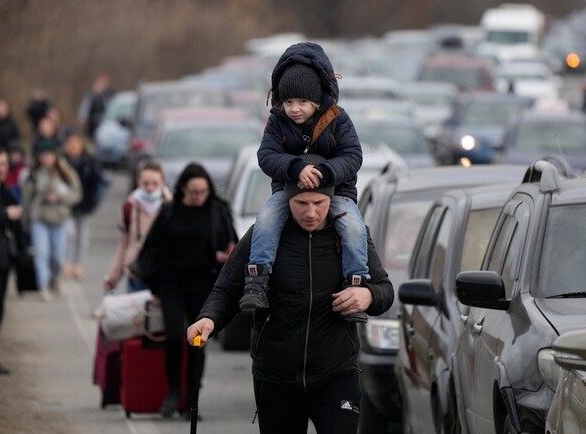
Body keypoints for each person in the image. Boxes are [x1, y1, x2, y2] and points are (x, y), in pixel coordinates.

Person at [186, 161, 394, 434]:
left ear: (331, 200)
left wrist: (367, 295)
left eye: (319, 203)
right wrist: (209, 319)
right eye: (301, 203)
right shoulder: (263, 236)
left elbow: (385, 290)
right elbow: (227, 287)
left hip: (336, 371)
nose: (310, 213)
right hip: (276, 374)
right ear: (286, 201)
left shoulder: (351, 237)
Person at [238, 42, 370, 323]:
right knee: (266, 220)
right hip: (288, 192)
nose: (294, 109)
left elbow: (353, 156)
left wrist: (324, 172)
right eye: (288, 102)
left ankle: (356, 285)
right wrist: (295, 167)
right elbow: (266, 155)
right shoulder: (277, 122)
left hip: (338, 192)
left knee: (354, 228)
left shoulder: (338, 119)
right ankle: (257, 280)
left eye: (301, 102)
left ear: (316, 101)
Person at [138, 162, 237, 418]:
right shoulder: (169, 211)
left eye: (203, 192)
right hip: (171, 283)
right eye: (194, 192)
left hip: (204, 283)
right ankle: (173, 392)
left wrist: (224, 256)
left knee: (196, 342)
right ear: (182, 188)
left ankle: (192, 400)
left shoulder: (217, 211)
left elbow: (233, 246)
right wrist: (154, 285)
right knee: (173, 337)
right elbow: (151, 249)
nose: (199, 197)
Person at [21, 140, 82, 302]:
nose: (47, 159)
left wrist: (60, 197)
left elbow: (77, 194)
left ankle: (57, 277)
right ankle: (43, 285)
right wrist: (26, 221)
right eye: (43, 155)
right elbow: (26, 199)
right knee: (41, 253)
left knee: (57, 255)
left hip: (60, 219)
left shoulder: (65, 173)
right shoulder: (33, 174)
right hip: (39, 217)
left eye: (50, 155)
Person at [103, 159, 171, 293]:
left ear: (162, 183)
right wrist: (113, 277)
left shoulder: (171, 207)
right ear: (139, 182)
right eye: (146, 183)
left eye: (155, 184)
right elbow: (123, 244)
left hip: (163, 275)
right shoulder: (130, 206)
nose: (150, 188)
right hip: (136, 273)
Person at [0, 147, 24, 374]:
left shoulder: (5, 190)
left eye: (3, 164)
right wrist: (6, 214)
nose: (1, 169)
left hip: (3, 258)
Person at [62, 131, 107, 279]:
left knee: (82, 237)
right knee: (69, 235)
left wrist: (93, 201)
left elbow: (98, 183)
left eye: (76, 145)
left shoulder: (89, 162)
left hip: (85, 205)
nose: (73, 148)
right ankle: (66, 263)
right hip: (68, 206)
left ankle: (78, 264)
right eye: (70, 145)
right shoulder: (62, 163)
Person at [78, 73, 114, 139]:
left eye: (106, 82)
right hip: (92, 124)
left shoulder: (110, 95)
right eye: (103, 81)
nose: (104, 84)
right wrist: (82, 119)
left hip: (105, 125)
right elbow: (85, 108)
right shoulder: (91, 95)